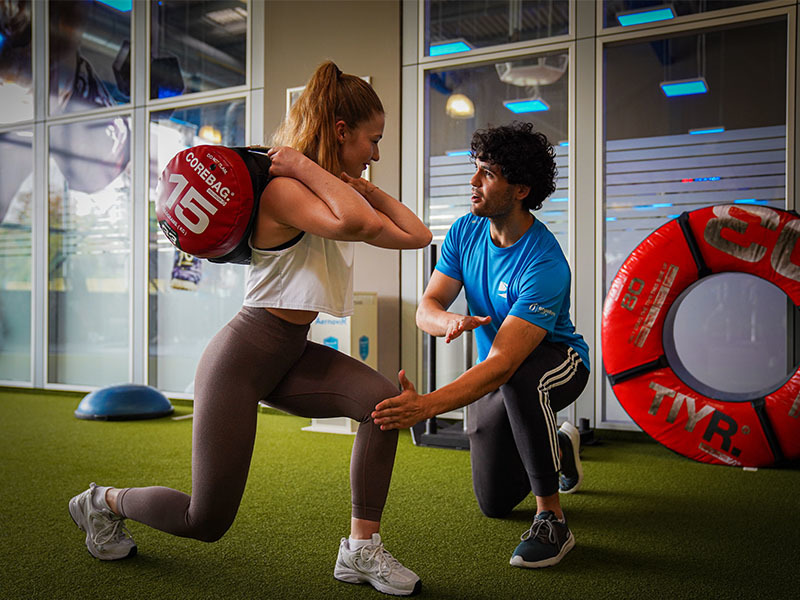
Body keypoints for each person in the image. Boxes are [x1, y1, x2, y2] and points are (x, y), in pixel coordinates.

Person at [68, 61, 431, 597]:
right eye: (371, 141)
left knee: (382, 406)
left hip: (290, 352)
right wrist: (310, 170)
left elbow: (416, 235)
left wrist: (350, 182)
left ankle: (359, 551)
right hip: (242, 358)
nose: (375, 154)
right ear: (340, 132)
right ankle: (101, 502)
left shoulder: (331, 190)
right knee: (205, 520)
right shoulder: (285, 189)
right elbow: (357, 224)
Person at [371, 122, 590, 569]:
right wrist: (447, 318)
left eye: (487, 173)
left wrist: (426, 406)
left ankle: (552, 519)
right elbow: (426, 307)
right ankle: (562, 447)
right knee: (494, 502)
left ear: (521, 189)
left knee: (521, 381)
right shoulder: (466, 231)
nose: (473, 181)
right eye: (476, 169)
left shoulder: (544, 263)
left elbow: (506, 363)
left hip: (559, 362)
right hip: (503, 369)